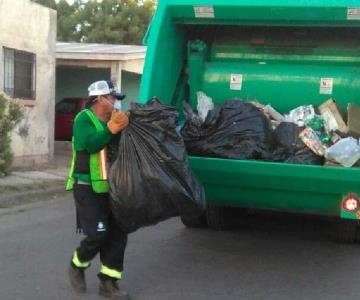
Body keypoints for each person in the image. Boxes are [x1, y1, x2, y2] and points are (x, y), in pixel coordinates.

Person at [66, 80, 130, 300]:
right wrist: (111, 129)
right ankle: (77, 264)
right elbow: (91, 145)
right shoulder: (83, 119)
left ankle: (108, 282)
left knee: (119, 232)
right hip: (87, 188)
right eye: (112, 98)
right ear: (100, 99)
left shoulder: (113, 119)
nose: (115, 103)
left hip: (112, 187)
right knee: (99, 234)